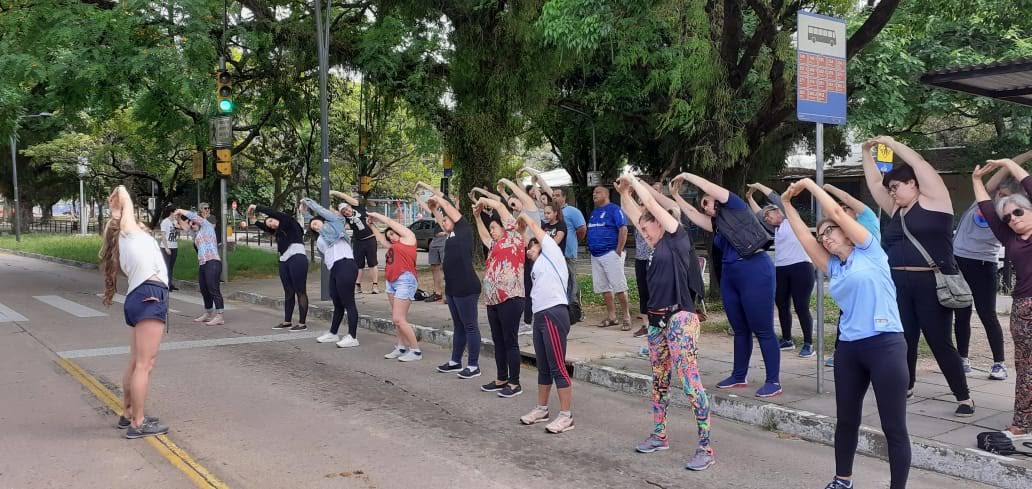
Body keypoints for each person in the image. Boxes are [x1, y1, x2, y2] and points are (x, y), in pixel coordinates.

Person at [780, 178, 910, 489]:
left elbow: (837, 213)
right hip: (850, 349)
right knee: (847, 420)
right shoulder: (834, 267)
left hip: (885, 345)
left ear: (848, 231)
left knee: (893, 426)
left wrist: (810, 184)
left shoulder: (870, 251)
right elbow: (803, 237)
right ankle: (843, 480)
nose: (824, 239)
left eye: (830, 232)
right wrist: (785, 204)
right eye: (822, 236)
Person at [861, 136, 974, 416]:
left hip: (931, 283)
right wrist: (866, 151)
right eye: (890, 189)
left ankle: (963, 396)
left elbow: (919, 163)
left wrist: (890, 142)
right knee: (904, 339)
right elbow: (874, 182)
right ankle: (907, 386)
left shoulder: (936, 200)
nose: (892, 193)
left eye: (896, 187)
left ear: (913, 183)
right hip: (898, 283)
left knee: (939, 341)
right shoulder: (896, 208)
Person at [616, 175, 714, 470]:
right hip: (657, 321)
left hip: (680, 317)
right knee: (659, 381)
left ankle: (706, 448)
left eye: (647, 229)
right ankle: (659, 434)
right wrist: (624, 193)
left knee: (690, 382)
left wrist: (633, 180)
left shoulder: (676, 237)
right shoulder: (656, 243)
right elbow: (636, 212)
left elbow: (649, 204)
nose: (644, 234)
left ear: (660, 223)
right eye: (642, 230)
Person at [671, 173, 781, 398]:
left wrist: (687, 176)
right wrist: (675, 196)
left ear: (717, 198)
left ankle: (773, 381)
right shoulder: (717, 224)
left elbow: (709, 186)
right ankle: (739, 375)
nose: (704, 207)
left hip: (755, 270)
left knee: (763, 329)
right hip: (731, 275)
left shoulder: (736, 206)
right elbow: (692, 215)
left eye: (707, 201)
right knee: (739, 328)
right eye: (703, 205)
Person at [100, 186, 171, 439]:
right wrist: (118, 199)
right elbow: (124, 198)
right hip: (150, 295)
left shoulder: (126, 240)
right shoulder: (129, 234)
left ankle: (128, 412)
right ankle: (138, 423)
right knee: (145, 364)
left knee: (136, 361)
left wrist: (117, 211)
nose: (142, 224)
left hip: (139, 296)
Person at [954, 150, 1031, 379]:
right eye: (999, 193)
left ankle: (999, 363)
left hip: (984, 263)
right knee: (962, 312)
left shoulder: (1005, 224)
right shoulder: (983, 207)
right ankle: (962, 358)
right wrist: (1016, 159)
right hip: (959, 260)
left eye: (1008, 197)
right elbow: (991, 183)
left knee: (987, 314)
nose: (1000, 196)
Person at [972, 158, 1032, 442]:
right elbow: (987, 209)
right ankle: (1022, 423)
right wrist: (976, 181)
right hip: (1024, 311)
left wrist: (1008, 162)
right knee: (1026, 369)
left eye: (1018, 212)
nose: (1013, 219)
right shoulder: (1011, 239)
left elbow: (1028, 183)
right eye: (1008, 217)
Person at [518, 213, 576, 433]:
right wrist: (521, 231)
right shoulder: (537, 265)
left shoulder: (552, 253)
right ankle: (542, 409)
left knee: (557, 365)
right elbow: (526, 237)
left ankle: (566, 416)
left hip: (554, 313)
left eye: (532, 246)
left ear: (542, 245)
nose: (528, 250)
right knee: (543, 366)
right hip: (540, 315)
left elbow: (535, 227)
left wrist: (524, 216)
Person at [747, 182, 816, 357]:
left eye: (768, 215)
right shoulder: (775, 228)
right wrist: (749, 197)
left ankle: (808, 344)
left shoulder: (791, 219)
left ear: (778, 211)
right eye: (766, 219)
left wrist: (759, 186)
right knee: (782, 304)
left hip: (801, 266)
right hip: (781, 269)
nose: (766, 219)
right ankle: (787, 339)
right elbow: (758, 214)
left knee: (801, 306)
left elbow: (776, 198)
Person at [822, 182, 884, 368]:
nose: (841, 212)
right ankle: (841, 352)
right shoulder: (839, 232)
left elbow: (847, 199)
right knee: (846, 316)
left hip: (870, 280)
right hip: (850, 280)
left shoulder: (868, 220)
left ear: (855, 212)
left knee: (874, 319)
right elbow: (829, 216)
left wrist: (829, 188)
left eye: (846, 209)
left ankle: (876, 357)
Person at [473, 197, 526, 398]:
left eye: (495, 227)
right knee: (498, 340)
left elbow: (501, 208)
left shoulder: (514, 238)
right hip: (493, 299)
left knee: (510, 340)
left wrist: (484, 200)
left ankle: (514, 382)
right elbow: (484, 236)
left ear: (505, 227)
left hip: (511, 297)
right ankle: (501, 378)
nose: (492, 230)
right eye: (491, 228)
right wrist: (478, 217)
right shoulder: (495, 244)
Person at [429, 195, 483, 378]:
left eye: (446, 219)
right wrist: (434, 209)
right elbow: (442, 219)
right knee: (458, 326)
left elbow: (449, 210)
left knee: (470, 326)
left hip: (466, 286)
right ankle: (455, 361)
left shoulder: (464, 229)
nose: (443, 222)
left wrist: (440, 200)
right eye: (442, 220)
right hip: (452, 288)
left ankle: (474, 366)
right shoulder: (450, 235)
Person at [300, 198, 361, 348]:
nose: (315, 226)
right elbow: (310, 219)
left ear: (322, 221)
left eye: (316, 223)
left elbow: (320, 211)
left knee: (348, 302)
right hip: (335, 268)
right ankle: (333, 333)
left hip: (345, 263)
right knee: (337, 302)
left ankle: (352, 336)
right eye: (313, 227)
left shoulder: (335, 224)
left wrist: (307, 202)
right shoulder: (320, 237)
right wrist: (303, 211)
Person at [366, 210, 423, 362]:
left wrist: (375, 215)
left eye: (392, 234)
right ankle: (401, 346)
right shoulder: (393, 245)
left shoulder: (409, 238)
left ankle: (415, 350)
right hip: (391, 281)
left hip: (405, 279)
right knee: (396, 318)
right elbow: (381, 240)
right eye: (389, 236)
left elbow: (390, 222)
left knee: (399, 319)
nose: (391, 237)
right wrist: (372, 226)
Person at [248, 203, 309, 332]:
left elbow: (273, 213)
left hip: (297, 256)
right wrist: (254, 220)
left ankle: (302, 323)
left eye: (271, 221)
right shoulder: (279, 232)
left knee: (300, 291)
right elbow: (263, 226)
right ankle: (287, 321)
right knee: (288, 291)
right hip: (284, 259)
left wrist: (256, 207)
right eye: (269, 225)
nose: (271, 224)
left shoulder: (288, 221)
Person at [587, 186, 633, 330]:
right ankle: (612, 317)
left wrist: (618, 250)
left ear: (606, 195)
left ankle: (626, 317)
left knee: (619, 287)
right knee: (604, 288)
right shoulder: (594, 212)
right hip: (596, 255)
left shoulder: (614, 209)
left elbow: (623, 229)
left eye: (598, 192)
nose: (594, 194)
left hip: (611, 253)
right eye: (593, 193)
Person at [175, 208, 225, 326]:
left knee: (213, 288)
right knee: (204, 289)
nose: (192, 225)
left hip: (213, 262)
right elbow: (186, 228)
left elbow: (194, 217)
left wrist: (180, 211)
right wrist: (179, 218)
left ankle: (220, 316)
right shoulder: (196, 235)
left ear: (199, 222)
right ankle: (208, 312)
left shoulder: (207, 227)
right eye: (191, 224)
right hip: (203, 263)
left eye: (194, 223)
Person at [331, 190, 380, 295]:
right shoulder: (345, 219)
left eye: (346, 209)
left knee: (372, 263)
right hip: (358, 241)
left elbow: (345, 197)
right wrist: (326, 198)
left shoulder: (359, 208)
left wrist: (334, 192)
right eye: (344, 212)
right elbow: (332, 212)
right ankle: (357, 286)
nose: (346, 212)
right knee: (358, 265)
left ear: (350, 206)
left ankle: (375, 285)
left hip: (370, 239)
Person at [417, 181, 450, 304]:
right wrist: (416, 196)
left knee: (446, 267)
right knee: (435, 266)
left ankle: (449, 294)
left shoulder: (447, 206)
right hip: (435, 239)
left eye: (434, 197)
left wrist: (422, 184)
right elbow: (426, 207)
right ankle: (437, 293)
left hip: (445, 238)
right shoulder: (435, 209)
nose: (432, 199)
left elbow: (435, 190)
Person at [553, 187, 587, 262]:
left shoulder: (572, 211)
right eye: (553, 195)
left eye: (557, 195)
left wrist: (575, 240)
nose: (554, 197)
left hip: (568, 254)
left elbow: (582, 229)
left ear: (564, 197)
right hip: (554, 254)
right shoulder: (551, 212)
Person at [158, 205, 180, 291]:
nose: (177, 213)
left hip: (174, 246)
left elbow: (179, 230)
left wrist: (177, 224)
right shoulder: (165, 222)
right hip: (166, 247)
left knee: (171, 267)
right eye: (176, 212)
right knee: (166, 267)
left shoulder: (175, 221)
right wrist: (166, 248)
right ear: (171, 212)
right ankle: (165, 284)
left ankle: (170, 284)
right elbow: (163, 236)